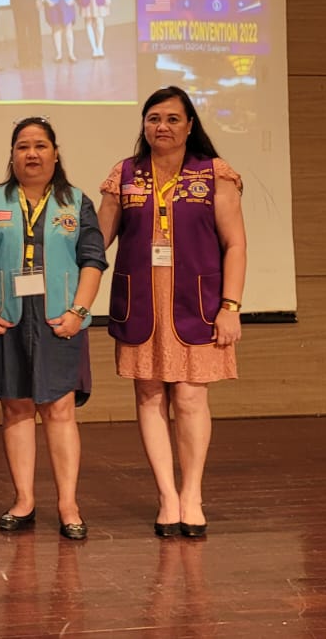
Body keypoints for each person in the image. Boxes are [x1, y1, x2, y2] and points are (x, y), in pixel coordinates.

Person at [96, 86, 246, 539]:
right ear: (144, 125)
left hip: (197, 303)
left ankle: (192, 494)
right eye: (153, 118)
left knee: (189, 396)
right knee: (149, 396)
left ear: (190, 125)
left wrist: (231, 307)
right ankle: (166, 496)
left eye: (172, 119)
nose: (162, 126)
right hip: (141, 300)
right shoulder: (123, 174)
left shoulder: (215, 173)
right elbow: (95, 244)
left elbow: (235, 244)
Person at [0, 117, 106, 540]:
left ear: (55, 153)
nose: (32, 153)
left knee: (60, 411)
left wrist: (80, 311)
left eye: (40, 146)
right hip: (5, 318)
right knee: (16, 408)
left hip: (58, 320)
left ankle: (68, 504)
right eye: (23, 146)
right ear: (12, 155)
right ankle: (23, 499)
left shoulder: (76, 202)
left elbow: (93, 260)